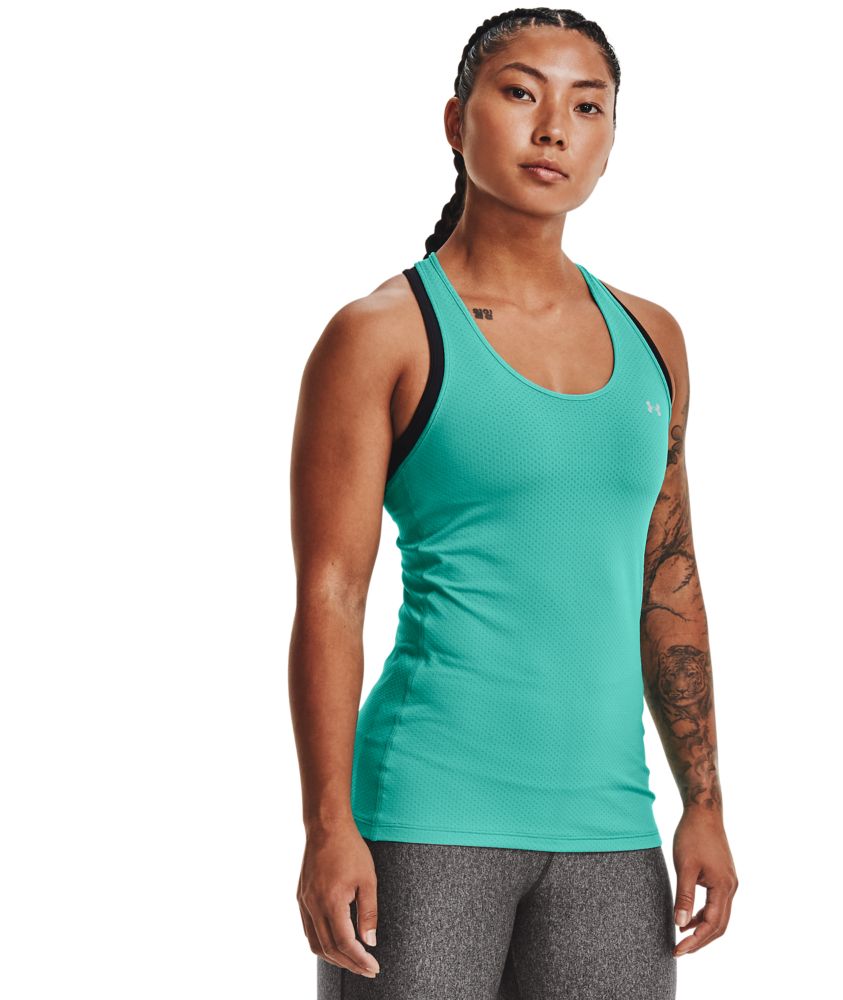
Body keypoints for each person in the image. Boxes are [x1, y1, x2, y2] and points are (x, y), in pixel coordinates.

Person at [288, 8, 738, 998]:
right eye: (520, 93)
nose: (552, 129)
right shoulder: (383, 333)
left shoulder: (654, 338)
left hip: (611, 830)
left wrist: (703, 804)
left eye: (587, 106)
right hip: (424, 819)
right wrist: (328, 824)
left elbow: (667, 577)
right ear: (457, 121)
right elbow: (331, 592)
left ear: (610, 139)